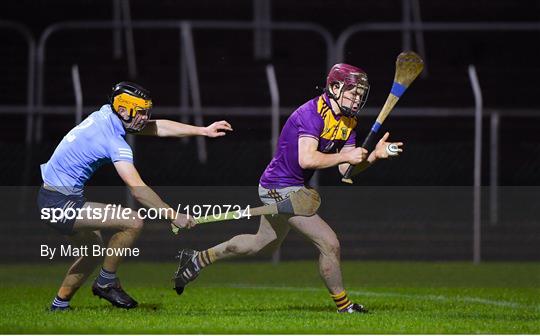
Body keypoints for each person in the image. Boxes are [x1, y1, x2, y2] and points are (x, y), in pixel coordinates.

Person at [173, 64, 403, 313]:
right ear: (334, 87)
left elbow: (346, 169)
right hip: (278, 187)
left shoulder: (348, 122)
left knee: (262, 244)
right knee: (329, 242)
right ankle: (344, 306)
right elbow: (308, 159)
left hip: (288, 186)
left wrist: (374, 157)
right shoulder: (312, 114)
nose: (357, 98)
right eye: (353, 92)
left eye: (361, 93)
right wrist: (345, 157)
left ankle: (197, 258)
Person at [38, 81, 232, 311]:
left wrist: (202, 130)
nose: (144, 117)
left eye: (146, 112)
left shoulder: (106, 116)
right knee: (133, 221)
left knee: (93, 252)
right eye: (140, 112)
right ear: (122, 109)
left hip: (54, 197)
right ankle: (106, 282)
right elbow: (137, 188)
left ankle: (59, 305)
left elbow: (155, 127)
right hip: (58, 203)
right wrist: (173, 215)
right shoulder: (112, 140)